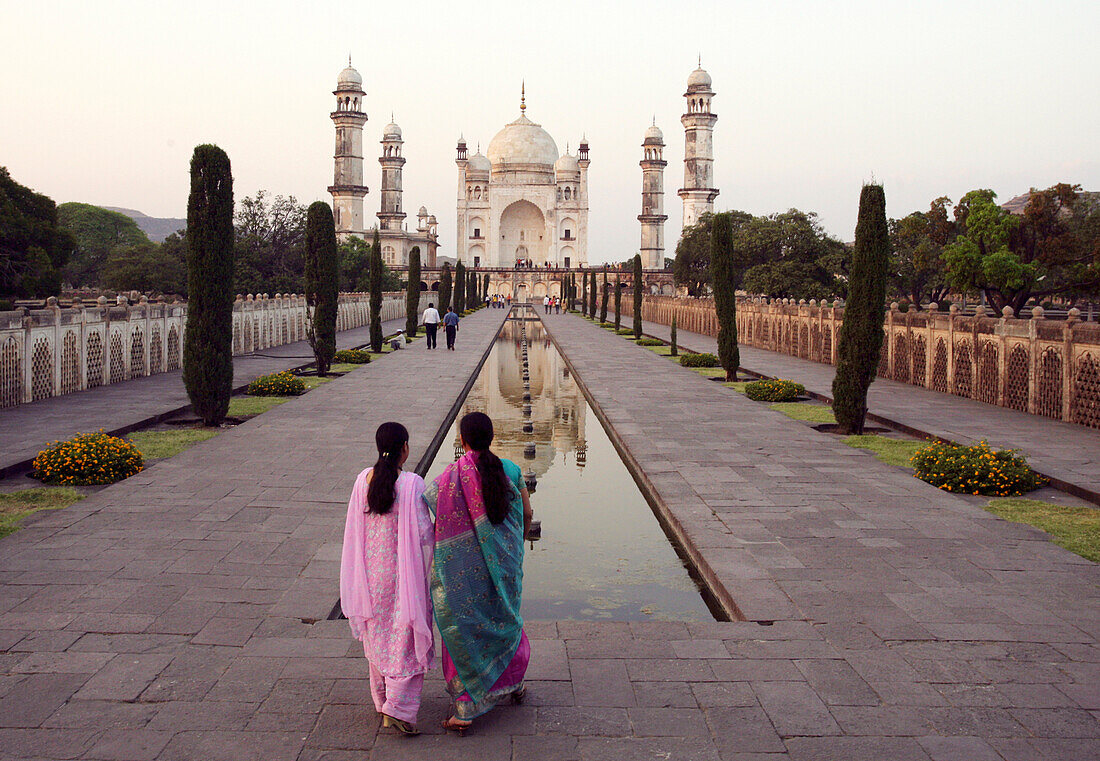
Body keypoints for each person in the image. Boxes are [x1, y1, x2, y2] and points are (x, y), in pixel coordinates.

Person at [423, 412, 533, 734]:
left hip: (464, 575)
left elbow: (435, 515)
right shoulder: (510, 470)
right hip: (505, 566)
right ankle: (514, 685)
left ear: (462, 440)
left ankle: (466, 709)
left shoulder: (450, 477)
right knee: (505, 621)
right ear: (492, 437)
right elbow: (526, 512)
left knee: (464, 626)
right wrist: (513, 547)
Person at [340, 423, 434, 736]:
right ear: (404, 448)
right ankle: (400, 710)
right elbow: (424, 535)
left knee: (379, 637)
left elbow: (354, 531)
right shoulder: (411, 484)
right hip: (403, 577)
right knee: (404, 640)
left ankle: (382, 700)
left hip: (372, 577)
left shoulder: (362, 481)